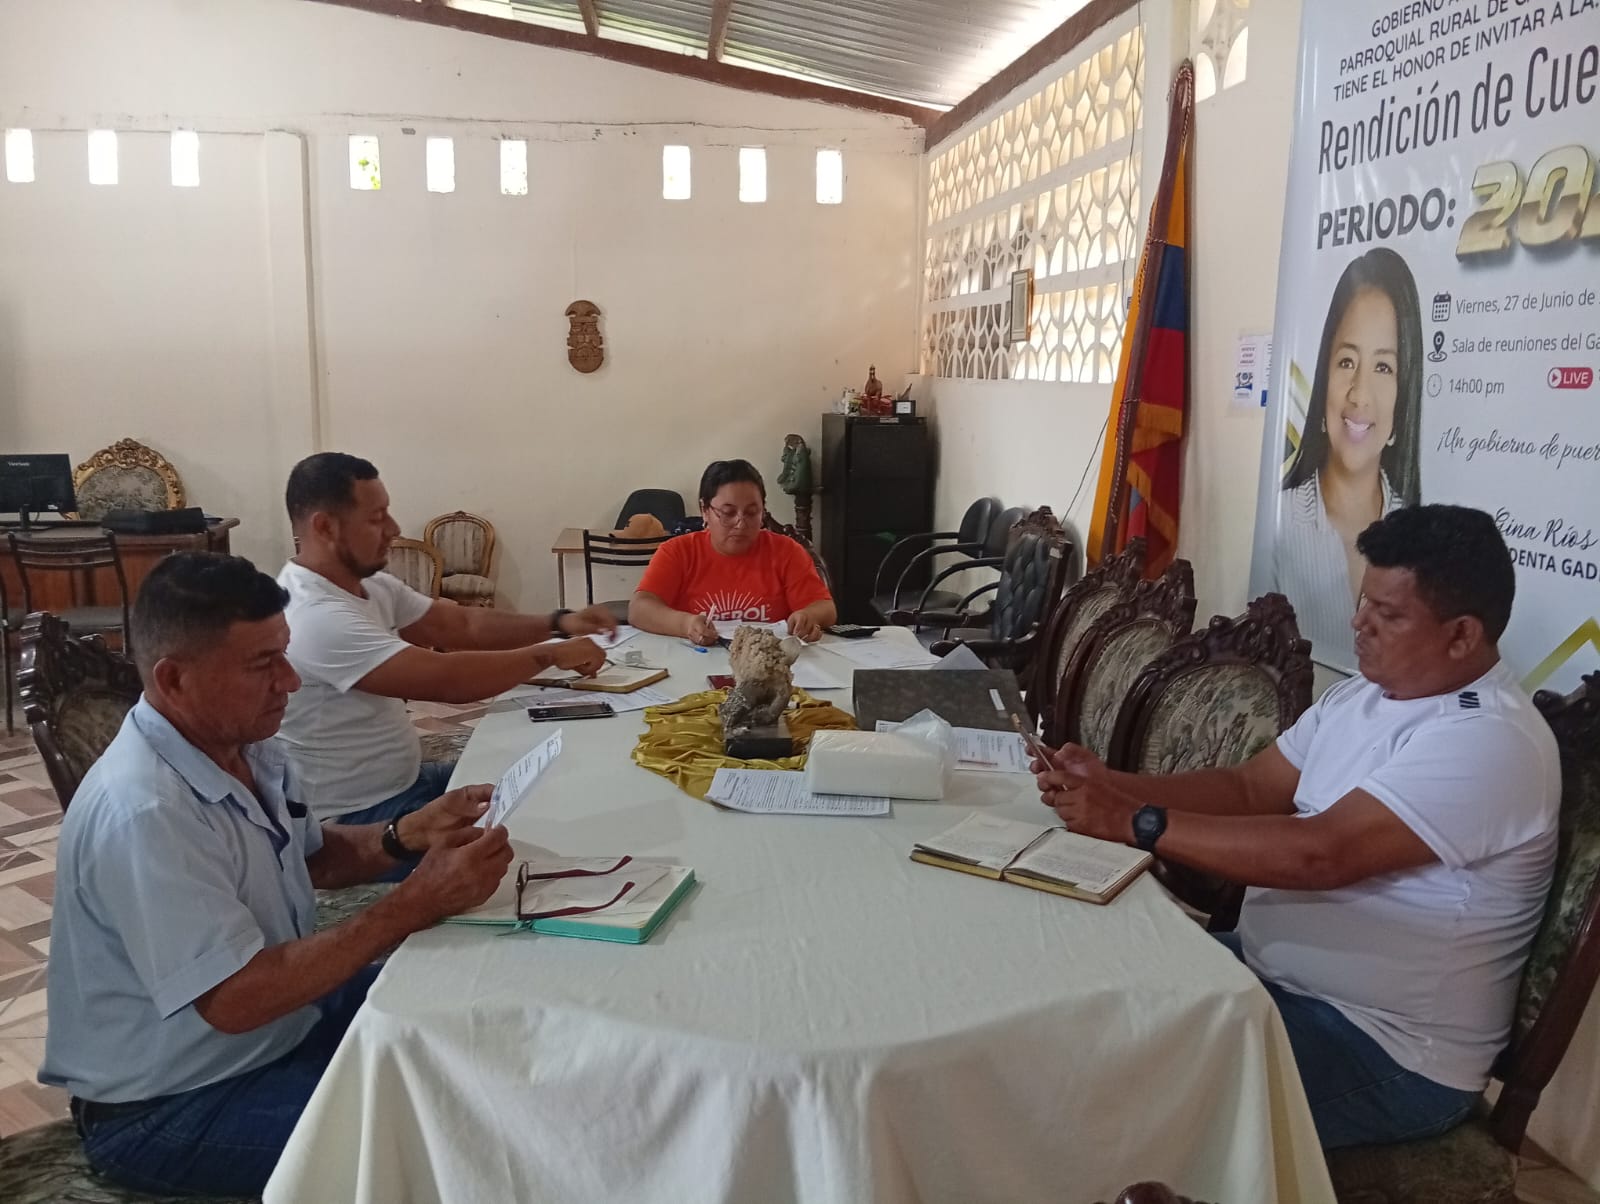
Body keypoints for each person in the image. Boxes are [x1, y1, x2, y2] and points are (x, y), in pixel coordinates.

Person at [1035, 505, 1559, 1150]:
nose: (1359, 624)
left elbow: (1323, 854)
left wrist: (1135, 822)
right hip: (1271, 978)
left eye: (1388, 614)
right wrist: (1112, 785)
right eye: (1363, 602)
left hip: (1383, 1048)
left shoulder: (1490, 738)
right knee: (1072, 1001)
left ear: (1461, 635)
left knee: (1107, 1098)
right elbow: (1249, 788)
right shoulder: (1364, 695)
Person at [40, 552, 514, 1197]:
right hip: (175, 1102)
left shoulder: (247, 745)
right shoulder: (145, 810)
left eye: (284, 655)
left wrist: (406, 834)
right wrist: (413, 904)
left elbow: (312, 855)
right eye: (263, 664)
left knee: (472, 1011)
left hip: (282, 1025)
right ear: (174, 679)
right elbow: (235, 999)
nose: (289, 681)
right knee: (445, 1137)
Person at [278, 452, 615, 825]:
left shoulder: (369, 585)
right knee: (533, 830)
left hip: (408, 782)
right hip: (359, 817)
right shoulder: (314, 615)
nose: (393, 528)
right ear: (325, 527)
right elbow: (448, 680)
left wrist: (560, 622)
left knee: (556, 783)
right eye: (376, 518)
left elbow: (462, 624)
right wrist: (548, 654)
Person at [1273, 247, 1423, 664]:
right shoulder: (1280, 527)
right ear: (1324, 376)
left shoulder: (1421, 542)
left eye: (1383, 368)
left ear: (1404, 394)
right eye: (1346, 361)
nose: (1359, 394)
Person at [629, 459, 836, 643]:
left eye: (752, 513)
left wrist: (807, 617)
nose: (741, 523)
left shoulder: (786, 551)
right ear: (704, 510)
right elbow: (640, 609)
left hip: (767, 662)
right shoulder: (678, 552)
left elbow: (825, 608)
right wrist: (686, 624)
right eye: (728, 513)